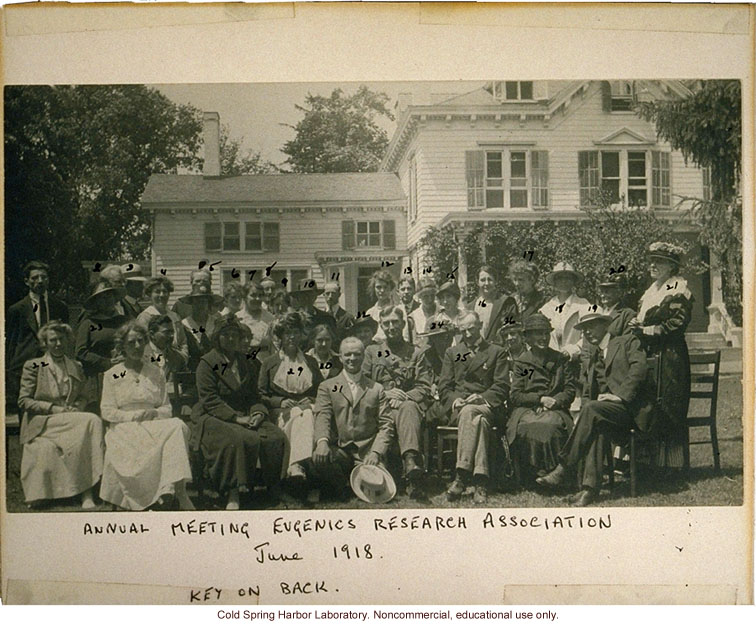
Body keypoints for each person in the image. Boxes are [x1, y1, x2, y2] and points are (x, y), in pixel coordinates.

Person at [536, 312, 647, 506]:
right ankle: (589, 490)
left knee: (592, 409)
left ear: (605, 325)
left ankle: (564, 467)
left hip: (632, 411)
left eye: (592, 327)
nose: (587, 332)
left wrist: (620, 396)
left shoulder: (627, 341)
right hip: (607, 415)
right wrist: (583, 419)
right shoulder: (595, 354)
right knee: (597, 427)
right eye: (584, 330)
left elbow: (639, 370)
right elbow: (589, 390)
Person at [192, 317, 286, 510]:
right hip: (213, 415)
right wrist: (235, 418)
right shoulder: (207, 362)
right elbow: (209, 399)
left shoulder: (245, 362)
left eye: (235, 335)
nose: (231, 339)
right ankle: (233, 491)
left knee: (276, 436)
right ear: (217, 338)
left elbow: (253, 396)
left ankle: (271, 485)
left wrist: (258, 412)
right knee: (237, 437)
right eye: (226, 335)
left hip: (244, 412)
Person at [100, 322, 194, 511]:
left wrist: (154, 413)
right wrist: (133, 416)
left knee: (178, 426)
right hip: (125, 426)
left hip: (153, 422)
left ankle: (177, 491)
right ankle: (157, 494)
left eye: (140, 342)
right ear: (122, 346)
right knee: (159, 432)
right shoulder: (113, 374)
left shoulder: (155, 372)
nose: (136, 346)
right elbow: (107, 411)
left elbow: (166, 408)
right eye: (131, 342)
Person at [17, 321, 103, 509]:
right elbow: (23, 401)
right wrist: (53, 409)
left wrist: (76, 406)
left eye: (61, 339)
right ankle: (86, 493)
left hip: (70, 419)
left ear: (68, 341)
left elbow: (83, 396)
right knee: (92, 421)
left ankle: (87, 491)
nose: (57, 344)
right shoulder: (34, 365)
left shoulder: (75, 365)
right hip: (44, 422)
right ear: (44, 343)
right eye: (52, 340)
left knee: (88, 423)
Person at [630, 241, 693, 468]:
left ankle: (672, 464)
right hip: (652, 355)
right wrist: (636, 323)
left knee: (668, 405)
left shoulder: (677, 287)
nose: (653, 265)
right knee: (649, 403)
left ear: (671, 267)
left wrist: (646, 329)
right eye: (652, 261)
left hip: (670, 357)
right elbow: (647, 319)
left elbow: (677, 323)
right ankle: (651, 462)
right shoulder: (653, 289)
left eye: (660, 262)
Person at [439, 310, 509, 503]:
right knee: (478, 421)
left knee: (475, 412)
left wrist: (482, 397)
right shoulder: (452, 353)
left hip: (487, 405)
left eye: (471, 329)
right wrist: (455, 400)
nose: (468, 334)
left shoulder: (496, 351)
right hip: (461, 409)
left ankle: (461, 476)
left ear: (480, 326)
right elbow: (444, 385)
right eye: (463, 331)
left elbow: (502, 385)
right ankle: (480, 481)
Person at [362, 306, 432, 498]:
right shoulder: (372, 351)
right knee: (401, 411)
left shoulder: (416, 353)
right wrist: (386, 393)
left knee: (408, 408)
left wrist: (403, 397)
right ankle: (408, 469)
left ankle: (410, 464)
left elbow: (424, 387)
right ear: (381, 326)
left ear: (403, 324)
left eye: (395, 322)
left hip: (406, 408)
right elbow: (363, 382)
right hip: (379, 407)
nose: (391, 327)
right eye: (387, 323)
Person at [310, 337, 394, 499]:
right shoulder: (327, 386)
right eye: (347, 355)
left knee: (378, 490)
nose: (352, 359)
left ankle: (352, 484)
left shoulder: (376, 389)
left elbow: (386, 425)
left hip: (368, 453)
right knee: (319, 458)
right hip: (340, 451)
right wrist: (322, 442)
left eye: (357, 354)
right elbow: (323, 416)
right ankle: (343, 485)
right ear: (340, 357)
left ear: (363, 356)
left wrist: (376, 452)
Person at [507, 313, 576, 482]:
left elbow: (569, 389)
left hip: (555, 408)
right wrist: (539, 399)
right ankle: (531, 472)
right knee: (527, 426)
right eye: (538, 333)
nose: (543, 337)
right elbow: (515, 395)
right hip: (526, 409)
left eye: (545, 333)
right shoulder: (522, 363)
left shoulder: (560, 359)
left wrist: (555, 401)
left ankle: (555, 471)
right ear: (527, 338)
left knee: (551, 425)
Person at [258, 312, 324, 486]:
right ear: (281, 336)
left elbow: (321, 390)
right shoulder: (269, 363)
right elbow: (260, 394)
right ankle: (300, 463)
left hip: (305, 410)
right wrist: (279, 401)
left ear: (301, 335)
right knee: (299, 413)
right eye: (287, 333)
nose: (292, 337)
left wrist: (309, 398)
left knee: (306, 413)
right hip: (280, 413)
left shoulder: (310, 362)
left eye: (295, 332)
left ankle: (295, 465)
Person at [6, 260, 69, 407]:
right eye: (35, 278)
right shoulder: (17, 310)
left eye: (44, 277)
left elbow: (65, 338)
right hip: (25, 368)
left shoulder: (60, 307)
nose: (40, 281)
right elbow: (11, 343)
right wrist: (11, 371)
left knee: (54, 410)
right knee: (27, 411)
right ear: (26, 281)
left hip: (55, 367)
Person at [75, 281, 129, 406]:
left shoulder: (125, 321)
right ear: (96, 302)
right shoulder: (88, 324)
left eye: (109, 295)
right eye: (102, 297)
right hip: (97, 378)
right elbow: (80, 352)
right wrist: (107, 362)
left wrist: (125, 357)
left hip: (125, 374)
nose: (107, 300)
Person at [539, 262, 591, 361]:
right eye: (560, 278)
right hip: (550, 361)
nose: (564, 282)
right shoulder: (546, 309)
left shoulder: (583, 305)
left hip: (574, 361)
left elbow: (588, 336)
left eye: (568, 278)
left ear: (573, 281)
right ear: (554, 282)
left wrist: (571, 351)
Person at [136, 276, 189, 364]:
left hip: (175, 362)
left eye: (165, 291)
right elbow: (143, 345)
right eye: (157, 292)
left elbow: (183, 342)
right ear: (150, 294)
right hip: (154, 364)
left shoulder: (175, 316)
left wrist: (181, 359)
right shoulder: (144, 317)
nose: (162, 295)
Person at [473, 265, 518, 346]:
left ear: (496, 281)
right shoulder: (470, 306)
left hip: (499, 350)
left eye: (490, 280)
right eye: (482, 280)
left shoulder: (506, 302)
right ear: (477, 282)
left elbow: (511, 329)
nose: (486, 283)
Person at [143, 314, 188, 391]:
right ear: (152, 334)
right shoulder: (138, 356)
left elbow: (186, 385)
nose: (171, 336)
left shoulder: (178, 358)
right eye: (166, 332)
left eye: (172, 332)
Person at [288, 279, 337, 345]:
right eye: (304, 295)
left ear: (315, 296)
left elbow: (334, 343)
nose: (307, 298)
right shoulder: (292, 319)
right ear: (298, 297)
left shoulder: (326, 318)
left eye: (311, 294)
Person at [182, 293, 220, 371]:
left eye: (203, 302)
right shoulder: (185, 324)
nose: (200, 306)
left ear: (208, 304)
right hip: (193, 368)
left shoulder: (216, 322)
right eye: (197, 302)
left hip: (215, 366)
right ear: (192, 304)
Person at [236, 281, 275, 358]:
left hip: (265, 360)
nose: (257, 299)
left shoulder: (269, 318)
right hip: (243, 360)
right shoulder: (237, 318)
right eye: (253, 295)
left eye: (260, 295)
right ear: (244, 297)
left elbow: (274, 345)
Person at [365, 269, 397, 343]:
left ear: (390, 288)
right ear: (374, 289)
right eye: (378, 287)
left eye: (385, 287)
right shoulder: (370, 313)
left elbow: (405, 337)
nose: (382, 290)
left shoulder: (398, 309)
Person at [397, 276, 418, 343]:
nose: (406, 292)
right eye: (403, 289)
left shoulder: (420, 308)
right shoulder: (396, 310)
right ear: (398, 292)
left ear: (414, 290)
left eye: (409, 289)